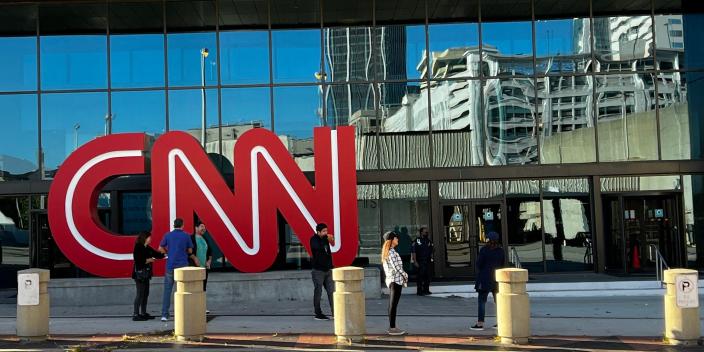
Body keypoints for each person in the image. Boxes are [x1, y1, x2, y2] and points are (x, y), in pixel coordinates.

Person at [158, 218, 200, 322]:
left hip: (170, 266)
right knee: (183, 291)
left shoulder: (168, 235)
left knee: (167, 291)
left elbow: (160, 248)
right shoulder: (186, 235)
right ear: (182, 225)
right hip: (183, 266)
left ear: (174, 225)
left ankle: (164, 315)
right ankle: (184, 314)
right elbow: (190, 250)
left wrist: (168, 253)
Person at [471, 231, 505, 330]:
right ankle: (501, 322)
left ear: (488, 239)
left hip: (484, 279)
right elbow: (502, 264)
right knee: (499, 302)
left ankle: (480, 323)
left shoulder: (484, 250)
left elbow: (479, 264)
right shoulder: (500, 251)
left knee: (481, 301)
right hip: (496, 279)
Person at [131, 231, 164, 321]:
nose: (151, 239)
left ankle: (143, 313)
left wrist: (163, 253)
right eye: (149, 237)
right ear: (145, 238)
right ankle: (136, 314)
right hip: (139, 275)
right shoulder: (138, 247)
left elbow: (156, 255)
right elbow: (137, 260)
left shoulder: (147, 247)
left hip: (146, 274)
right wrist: (148, 260)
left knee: (145, 294)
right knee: (140, 294)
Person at [382, 231, 408, 336]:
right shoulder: (391, 252)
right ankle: (392, 328)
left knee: (392, 304)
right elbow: (397, 267)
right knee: (393, 304)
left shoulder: (389, 251)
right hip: (395, 280)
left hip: (393, 280)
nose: (397, 239)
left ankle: (392, 327)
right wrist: (405, 275)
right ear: (391, 240)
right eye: (396, 238)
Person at [310, 223, 335, 320]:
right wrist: (325, 239)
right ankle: (318, 313)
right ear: (318, 232)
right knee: (318, 291)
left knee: (331, 292)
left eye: (326, 231)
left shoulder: (326, 240)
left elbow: (327, 252)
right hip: (318, 271)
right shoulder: (314, 239)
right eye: (324, 231)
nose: (326, 233)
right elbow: (318, 249)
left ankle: (335, 313)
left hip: (327, 270)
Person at [194, 222, 212, 313]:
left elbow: (210, 252)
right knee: (195, 288)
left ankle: (202, 307)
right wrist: (194, 259)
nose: (203, 228)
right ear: (196, 227)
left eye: (204, 227)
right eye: (201, 226)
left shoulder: (205, 238)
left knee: (203, 288)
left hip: (204, 268)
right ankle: (194, 307)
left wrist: (209, 261)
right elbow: (189, 252)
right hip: (195, 268)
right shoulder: (192, 238)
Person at [411, 227, 433, 295]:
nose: (426, 233)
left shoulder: (428, 240)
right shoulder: (417, 241)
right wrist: (415, 261)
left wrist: (432, 258)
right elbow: (413, 251)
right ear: (421, 233)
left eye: (427, 232)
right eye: (425, 232)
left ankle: (426, 290)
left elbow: (431, 250)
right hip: (420, 261)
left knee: (428, 276)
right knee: (420, 276)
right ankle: (419, 291)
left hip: (428, 261)